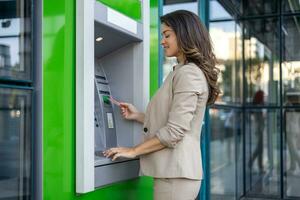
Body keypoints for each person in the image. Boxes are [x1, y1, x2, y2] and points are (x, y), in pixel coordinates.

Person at [103, 10, 220, 200]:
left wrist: (133, 151)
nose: (162, 41)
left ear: (184, 34)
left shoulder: (189, 74)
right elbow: (174, 119)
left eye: (167, 35)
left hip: (175, 174)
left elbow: (175, 132)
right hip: (173, 172)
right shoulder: (181, 71)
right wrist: (139, 116)